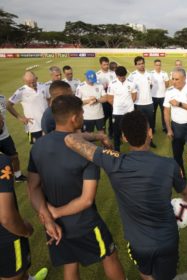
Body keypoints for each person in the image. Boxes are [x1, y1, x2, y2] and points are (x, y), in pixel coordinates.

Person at [64, 110, 187, 280]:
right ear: (150, 133)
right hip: (167, 239)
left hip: (138, 242)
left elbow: (70, 139)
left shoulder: (114, 161)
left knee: (146, 276)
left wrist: (99, 135)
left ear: (124, 137)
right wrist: (183, 208)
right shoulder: (169, 164)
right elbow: (186, 193)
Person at [27, 95, 126, 280]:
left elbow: (33, 187)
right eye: (82, 113)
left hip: (55, 227)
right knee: (109, 256)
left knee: (70, 265)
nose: (83, 116)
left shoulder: (38, 146)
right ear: (74, 118)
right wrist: (55, 213)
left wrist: (48, 218)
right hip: (84, 223)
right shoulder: (86, 151)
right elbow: (86, 199)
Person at [0, 152, 48, 280]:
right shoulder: (1, 160)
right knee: (14, 275)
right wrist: (25, 230)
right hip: (6, 238)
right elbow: (6, 218)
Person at [164, 68, 187, 175]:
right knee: (177, 154)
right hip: (176, 127)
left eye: (177, 79)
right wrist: (169, 129)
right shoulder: (169, 91)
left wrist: (179, 104)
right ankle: (181, 176)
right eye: (173, 79)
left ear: (184, 78)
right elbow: (166, 111)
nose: (174, 82)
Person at [7, 71, 48, 144]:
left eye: (33, 82)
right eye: (29, 83)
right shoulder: (21, 91)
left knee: (50, 147)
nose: (32, 84)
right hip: (33, 127)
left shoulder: (43, 86)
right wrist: (20, 117)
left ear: (36, 78)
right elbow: (8, 105)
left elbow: (49, 99)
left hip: (47, 124)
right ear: (24, 81)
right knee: (37, 149)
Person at [128, 56, 156, 148]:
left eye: (142, 63)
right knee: (139, 124)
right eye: (139, 64)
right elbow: (129, 89)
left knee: (150, 124)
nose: (141, 65)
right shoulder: (132, 76)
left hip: (149, 103)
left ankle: (150, 140)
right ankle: (140, 141)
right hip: (138, 104)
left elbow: (151, 86)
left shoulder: (149, 74)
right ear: (135, 65)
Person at [108, 66, 137, 151]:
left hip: (129, 112)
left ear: (125, 75)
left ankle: (133, 150)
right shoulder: (112, 84)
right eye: (119, 76)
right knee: (116, 132)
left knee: (131, 131)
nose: (121, 78)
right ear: (116, 75)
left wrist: (128, 105)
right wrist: (117, 105)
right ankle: (117, 151)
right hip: (117, 112)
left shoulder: (131, 83)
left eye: (123, 76)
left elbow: (134, 96)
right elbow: (109, 98)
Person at [0, 94, 27, 182]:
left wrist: (19, 117)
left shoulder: (2, 97)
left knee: (14, 156)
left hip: (5, 136)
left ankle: (18, 176)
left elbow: (6, 111)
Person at [96, 57, 116, 138]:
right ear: (100, 64)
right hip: (103, 99)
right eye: (104, 65)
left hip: (112, 99)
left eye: (107, 64)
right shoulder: (97, 75)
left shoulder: (113, 73)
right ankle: (103, 134)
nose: (106, 66)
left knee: (112, 117)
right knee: (103, 117)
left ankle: (111, 133)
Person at [151, 59, 169, 133]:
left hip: (163, 97)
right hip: (153, 96)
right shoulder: (150, 74)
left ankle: (165, 127)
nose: (158, 66)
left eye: (159, 65)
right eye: (157, 65)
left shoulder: (164, 73)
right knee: (153, 113)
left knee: (164, 113)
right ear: (154, 65)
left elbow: (167, 84)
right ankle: (152, 128)